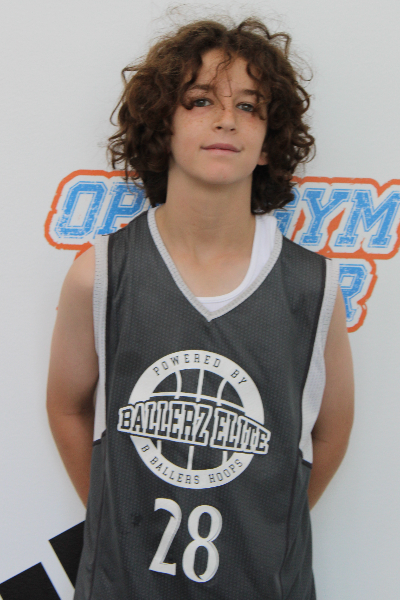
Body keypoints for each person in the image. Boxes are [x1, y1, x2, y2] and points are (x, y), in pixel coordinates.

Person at [47, 17, 354, 600]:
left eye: (249, 106)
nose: (226, 119)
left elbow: (331, 434)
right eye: (200, 100)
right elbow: (66, 407)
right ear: (161, 124)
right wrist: (118, 527)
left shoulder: (313, 286)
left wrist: (264, 533)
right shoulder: (101, 272)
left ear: (270, 142)